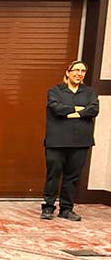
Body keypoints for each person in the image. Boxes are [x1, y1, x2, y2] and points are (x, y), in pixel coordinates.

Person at [41, 60, 100, 221]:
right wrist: (79, 109)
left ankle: (66, 209)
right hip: (56, 141)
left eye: (83, 71)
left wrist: (70, 112)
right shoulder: (55, 91)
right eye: (76, 70)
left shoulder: (89, 92)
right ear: (68, 72)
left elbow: (93, 109)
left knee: (72, 177)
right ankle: (48, 207)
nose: (79, 74)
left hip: (81, 142)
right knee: (53, 174)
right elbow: (56, 109)